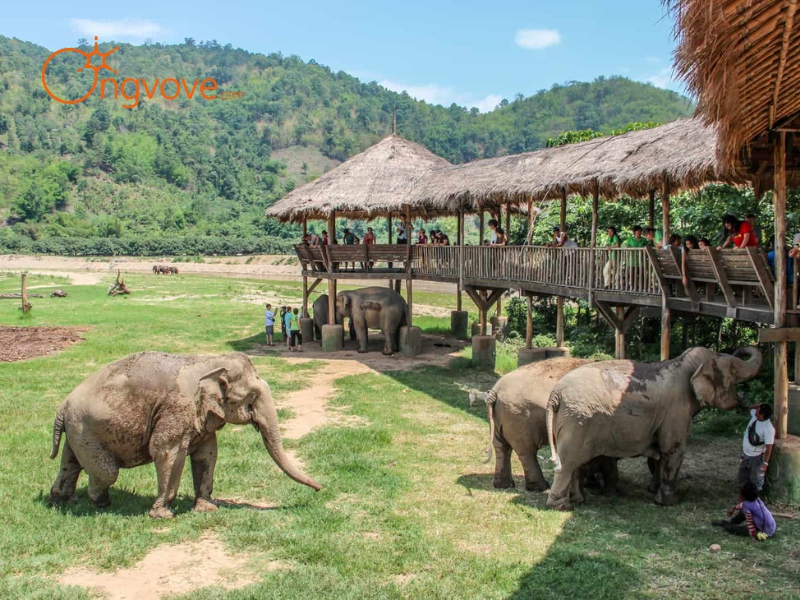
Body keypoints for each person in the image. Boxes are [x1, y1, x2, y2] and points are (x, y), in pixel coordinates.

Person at [738, 403, 775, 491]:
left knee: (755, 479)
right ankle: (744, 494)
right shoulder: (755, 417)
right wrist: (761, 404)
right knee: (742, 476)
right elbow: (749, 407)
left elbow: (769, 448)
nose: (755, 413)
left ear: (762, 415)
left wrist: (765, 463)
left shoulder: (768, 429)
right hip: (745, 453)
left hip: (756, 457)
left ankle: (755, 498)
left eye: (758, 412)